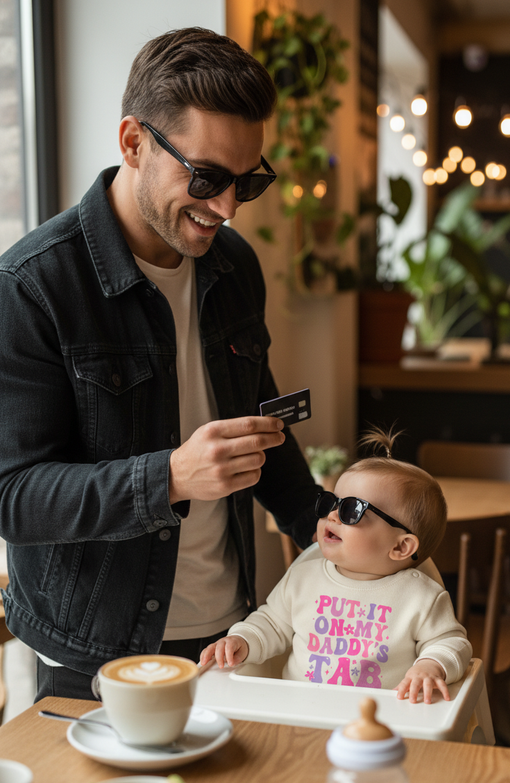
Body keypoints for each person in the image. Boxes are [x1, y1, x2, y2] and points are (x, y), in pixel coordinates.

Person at [0, 28, 321, 701]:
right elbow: (14, 497)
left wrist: (326, 519)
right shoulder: (31, 286)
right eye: (205, 177)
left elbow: (256, 423)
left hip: (232, 638)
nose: (227, 208)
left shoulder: (233, 267)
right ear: (133, 142)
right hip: (92, 659)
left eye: (247, 181)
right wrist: (169, 476)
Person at [201, 429, 472, 704]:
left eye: (352, 510)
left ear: (401, 547)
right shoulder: (303, 577)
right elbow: (272, 623)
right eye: (332, 502)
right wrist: (242, 640)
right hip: (301, 710)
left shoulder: (420, 596)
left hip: (380, 720)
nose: (332, 515)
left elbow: (452, 643)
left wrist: (431, 665)